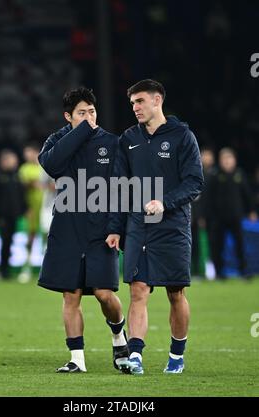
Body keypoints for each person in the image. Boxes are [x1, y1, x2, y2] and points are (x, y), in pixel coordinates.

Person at [106, 79, 204, 375]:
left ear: (157, 100)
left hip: (173, 225)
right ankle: (135, 355)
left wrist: (165, 202)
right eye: (132, 103)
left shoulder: (183, 136)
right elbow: (119, 187)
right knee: (138, 290)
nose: (135, 108)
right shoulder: (128, 139)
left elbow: (195, 183)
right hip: (138, 225)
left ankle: (177, 355)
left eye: (140, 101)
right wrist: (115, 227)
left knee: (175, 293)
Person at [38, 87, 128, 373]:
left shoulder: (112, 144)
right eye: (81, 113)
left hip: (100, 231)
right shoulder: (57, 141)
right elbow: (51, 164)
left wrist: (117, 227)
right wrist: (79, 132)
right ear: (68, 117)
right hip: (67, 230)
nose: (89, 117)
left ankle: (118, 335)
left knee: (104, 293)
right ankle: (77, 359)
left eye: (92, 111)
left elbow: (120, 191)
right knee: (71, 294)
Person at [208, 147, 257, 279]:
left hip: (236, 216)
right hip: (219, 218)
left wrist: (251, 210)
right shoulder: (215, 175)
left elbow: (247, 194)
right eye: (224, 159)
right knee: (218, 246)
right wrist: (210, 215)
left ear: (234, 160)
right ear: (220, 161)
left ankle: (244, 271)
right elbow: (209, 197)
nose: (227, 162)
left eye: (229, 158)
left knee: (240, 245)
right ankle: (218, 273)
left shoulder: (239, 175)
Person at [0, 150, 27, 279]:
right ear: (4, 161)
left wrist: (25, 209)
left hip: (13, 215)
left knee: (9, 241)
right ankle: (1, 270)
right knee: (4, 241)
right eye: (12, 160)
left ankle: (6, 269)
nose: (15, 162)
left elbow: (21, 195)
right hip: (1, 215)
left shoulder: (15, 176)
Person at [18, 143, 43, 283]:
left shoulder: (45, 166)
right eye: (26, 153)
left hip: (46, 208)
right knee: (31, 237)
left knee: (49, 238)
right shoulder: (24, 169)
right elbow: (22, 187)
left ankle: (46, 268)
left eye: (30, 152)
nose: (27, 156)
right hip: (31, 208)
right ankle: (26, 268)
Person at [191, 147, 216, 278]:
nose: (206, 158)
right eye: (204, 155)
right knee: (194, 244)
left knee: (212, 243)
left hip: (212, 216)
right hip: (195, 216)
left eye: (208, 155)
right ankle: (196, 271)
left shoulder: (215, 175)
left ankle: (212, 270)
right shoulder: (195, 173)